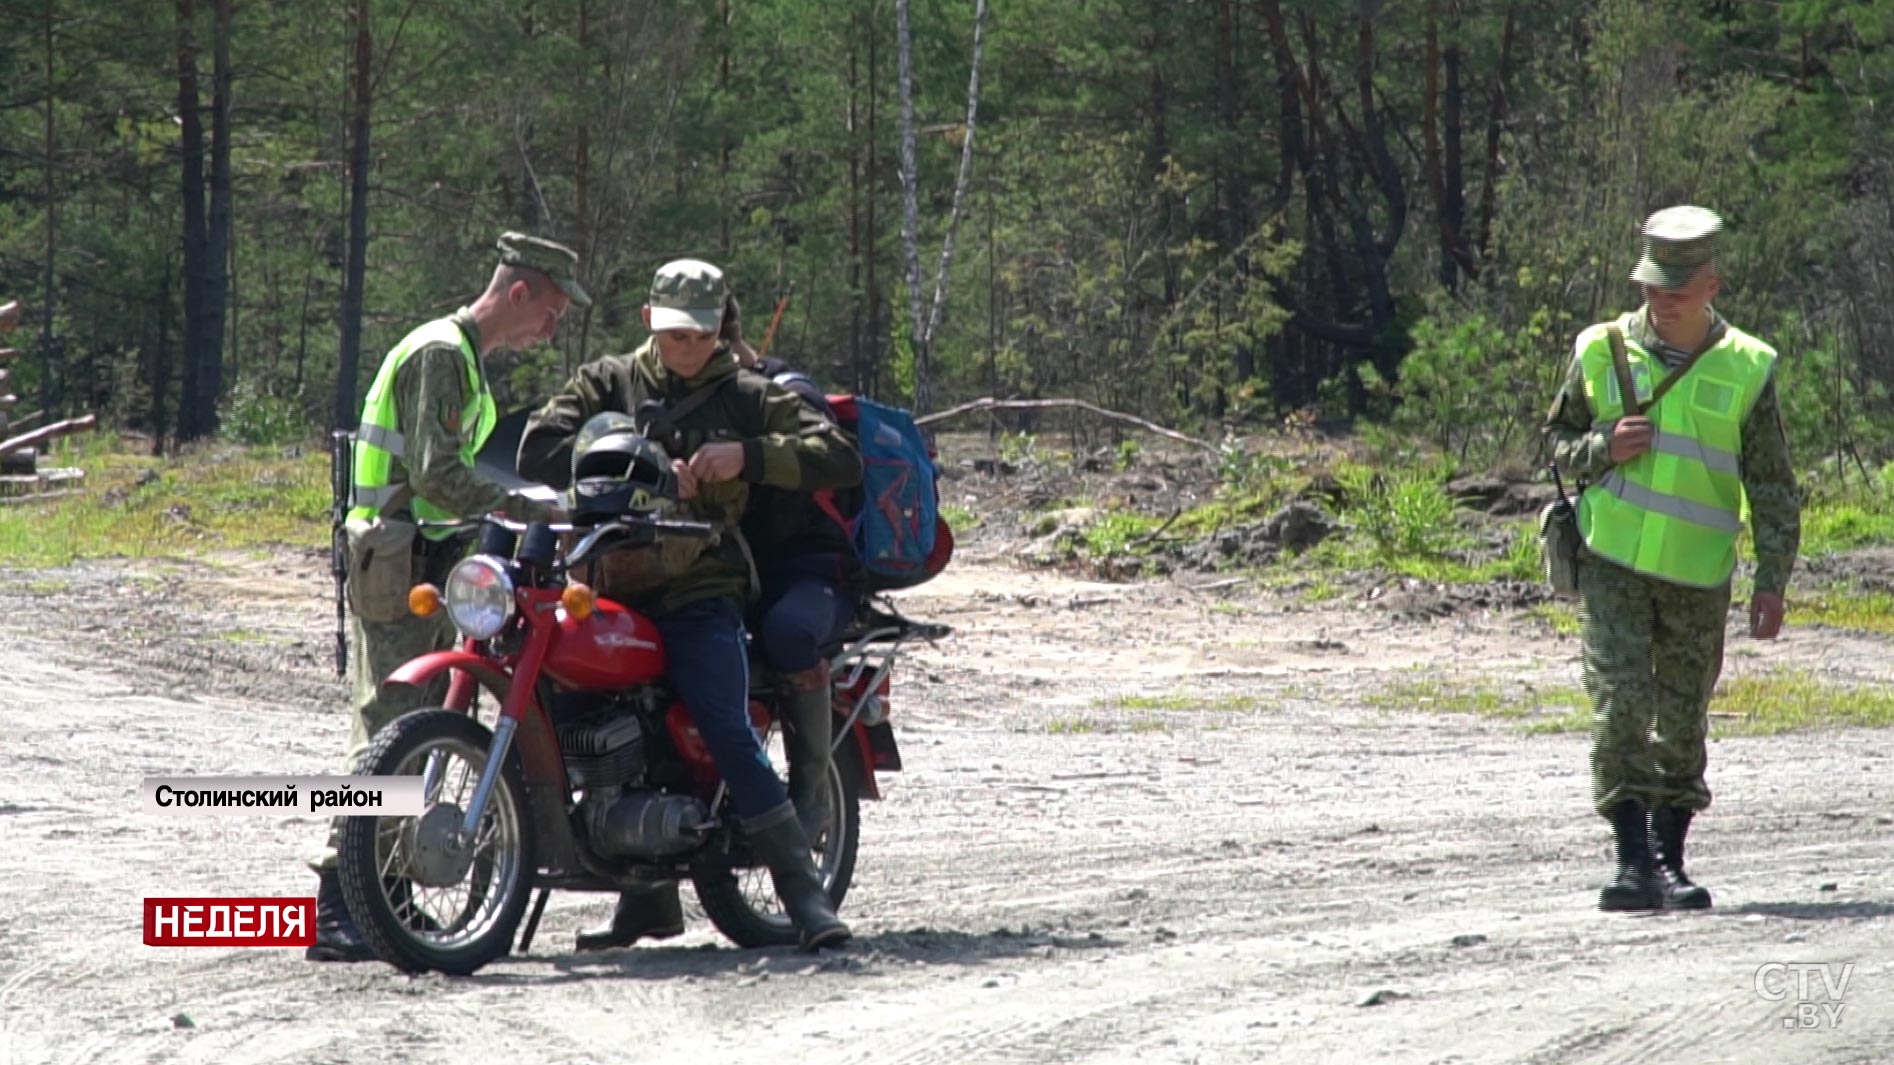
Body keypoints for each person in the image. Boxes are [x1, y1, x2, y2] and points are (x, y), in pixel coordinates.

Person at [516, 258, 863, 953]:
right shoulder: (606, 380)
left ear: (719, 327)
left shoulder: (746, 393)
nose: (688, 349)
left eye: (701, 335)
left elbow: (840, 456)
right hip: (608, 583)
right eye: (676, 334)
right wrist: (625, 458)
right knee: (580, 722)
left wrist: (749, 456)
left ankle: (804, 895)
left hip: (702, 586)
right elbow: (538, 447)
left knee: (725, 727)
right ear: (649, 321)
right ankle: (645, 898)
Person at [305, 232, 587, 963]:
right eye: (550, 312)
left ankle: (383, 900)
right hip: (399, 561)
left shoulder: (462, 358)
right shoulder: (442, 354)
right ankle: (339, 906)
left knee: (419, 723)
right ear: (517, 292)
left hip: (416, 559)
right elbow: (436, 473)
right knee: (393, 727)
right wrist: (533, 506)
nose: (550, 331)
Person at [1541, 205, 1801, 913]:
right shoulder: (1599, 350)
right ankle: (1634, 864)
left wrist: (1771, 580)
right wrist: (1601, 448)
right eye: (1654, 285)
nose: (1662, 299)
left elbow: (1773, 483)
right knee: (1621, 707)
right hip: (1612, 560)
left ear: (1712, 283)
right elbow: (1556, 444)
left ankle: (1670, 857)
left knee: (1684, 719)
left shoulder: (1748, 366)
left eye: (1677, 289)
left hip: (1698, 573)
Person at [723, 295, 866, 843]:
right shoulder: (692, 402)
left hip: (812, 571)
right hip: (735, 573)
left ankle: (810, 799)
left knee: (787, 633)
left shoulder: (788, 394)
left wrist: (747, 455)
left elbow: (829, 456)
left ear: (727, 339)